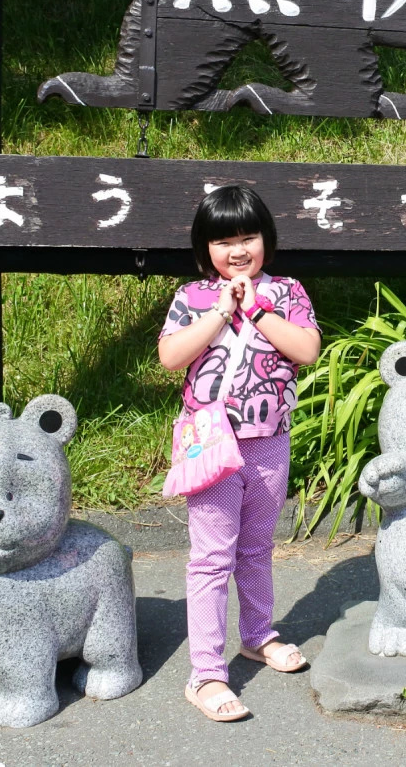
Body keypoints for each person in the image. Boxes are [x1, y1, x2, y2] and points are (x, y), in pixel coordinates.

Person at [158, 186, 322, 723]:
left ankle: (257, 635)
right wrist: (220, 312)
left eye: (247, 237)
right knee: (211, 557)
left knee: (255, 548)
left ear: (265, 242)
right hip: (212, 442)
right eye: (223, 240)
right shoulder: (193, 296)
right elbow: (170, 356)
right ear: (205, 248)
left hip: (270, 438)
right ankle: (205, 673)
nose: (236, 250)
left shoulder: (289, 291)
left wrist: (255, 307)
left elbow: (306, 350)